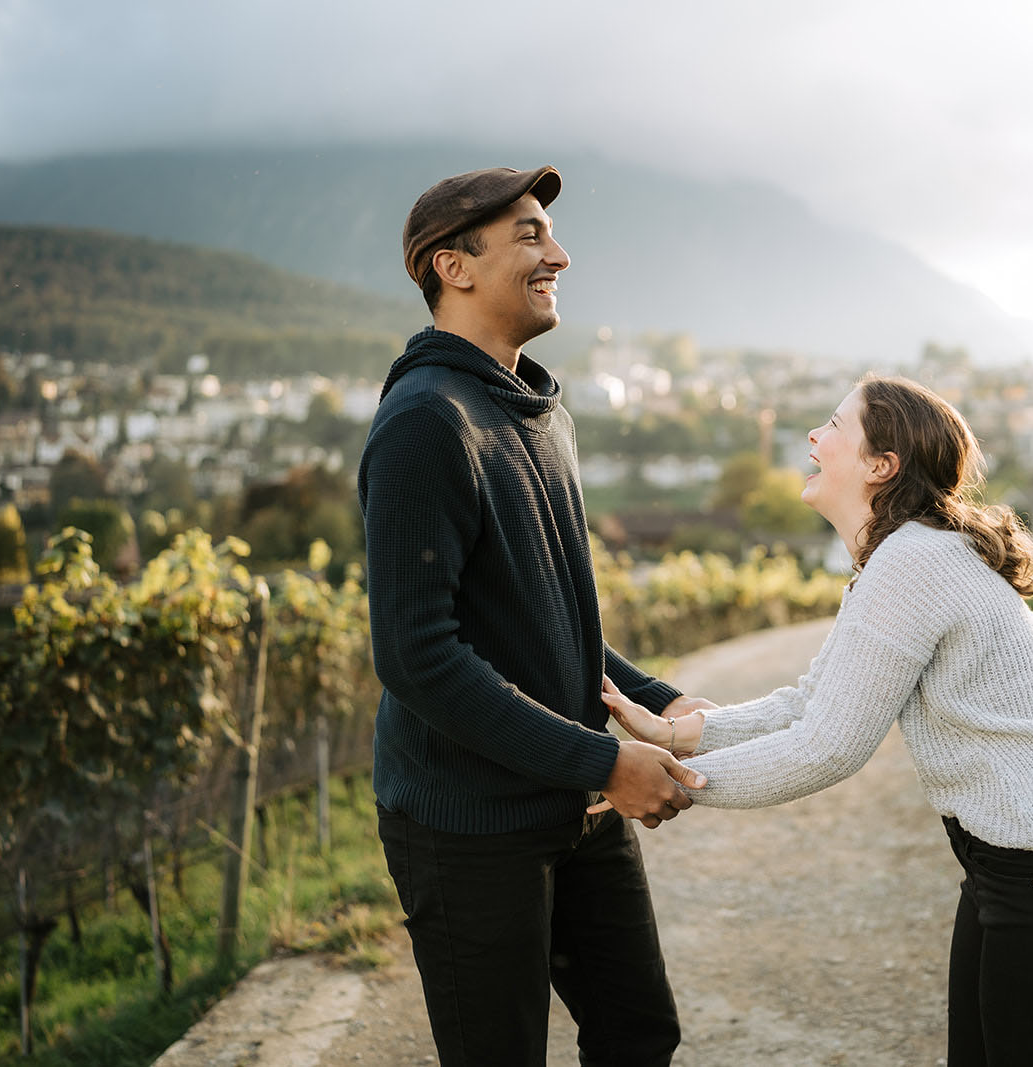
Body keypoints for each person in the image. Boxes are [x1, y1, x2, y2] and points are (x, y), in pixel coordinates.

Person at [598, 375, 1033, 1066]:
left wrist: (673, 781)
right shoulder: (905, 554)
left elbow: (828, 747)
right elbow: (810, 700)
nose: (812, 435)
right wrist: (672, 733)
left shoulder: (914, 561)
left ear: (881, 465)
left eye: (833, 425)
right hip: (1018, 877)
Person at [358, 164, 711, 1067]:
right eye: (529, 235)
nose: (559, 253)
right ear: (453, 266)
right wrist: (605, 760)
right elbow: (416, 654)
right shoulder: (425, 422)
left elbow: (550, 607)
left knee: (639, 1033)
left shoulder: (542, 414)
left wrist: (660, 702)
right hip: (469, 825)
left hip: (573, 801)